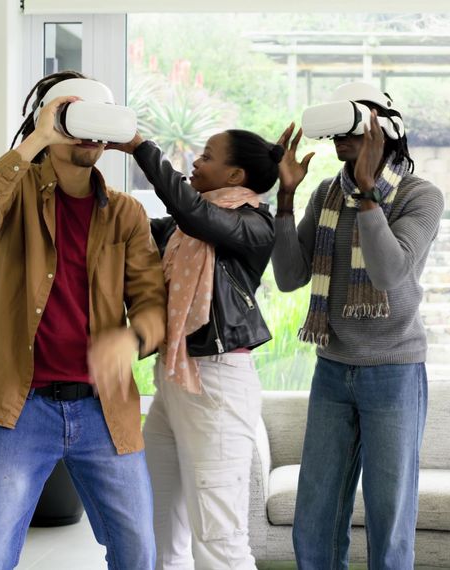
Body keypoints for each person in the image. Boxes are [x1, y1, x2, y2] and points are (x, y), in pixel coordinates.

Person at [0, 71, 166, 569]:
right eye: (76, 120)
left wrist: (133, 340)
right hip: (18, 406)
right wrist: (38, 138)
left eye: (98, 123)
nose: (89, 136)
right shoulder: (17, 193)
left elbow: (152, 305)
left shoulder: (127, 214)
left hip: (103, 409)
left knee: (138, 552)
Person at [271, 82, 445, 569]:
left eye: (354, 126)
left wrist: (368, 197)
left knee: (389, 517)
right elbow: (289, 277)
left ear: (384, 131)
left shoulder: (420, 196)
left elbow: (389, 273)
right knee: (315, 517)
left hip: (393, 372)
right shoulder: (327, 194)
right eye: (338, 129)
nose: (341, 138)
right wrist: (285, 198)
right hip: (332, 368)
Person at [109, 129, 279, 569]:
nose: (197, 162)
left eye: (207, 156)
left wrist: (140, 149)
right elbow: (135, 227)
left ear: (235, 174)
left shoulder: (253, 224)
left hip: (217, 384)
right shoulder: (180, 230)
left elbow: (192, 212)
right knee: (158, 526)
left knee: (219, 537)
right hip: (173, 378)